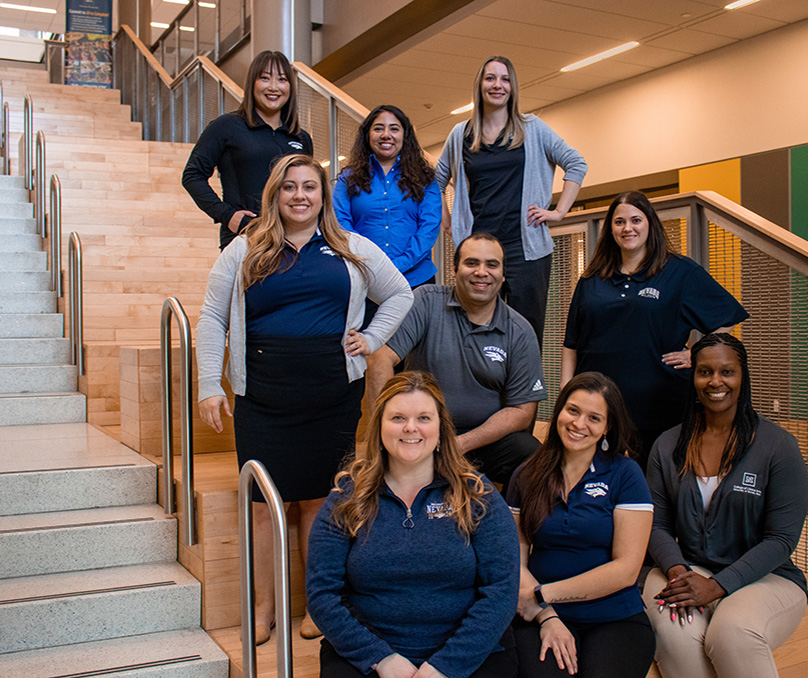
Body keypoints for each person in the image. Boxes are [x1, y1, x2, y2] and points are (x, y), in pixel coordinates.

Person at [195, 154, 413, 644]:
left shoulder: (351, 248)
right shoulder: (244, 248)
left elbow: (401, 294)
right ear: (275, 194)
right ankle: (263, 607)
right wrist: (210, 383)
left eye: (309, 187)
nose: (299, 195)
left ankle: (318, 605)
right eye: (289, 187)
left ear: (322, 196)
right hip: (263, 395)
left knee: (319, 500)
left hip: (331, 393)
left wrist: (372, 338)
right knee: (259, 503)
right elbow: (212, 316)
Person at [306, 371, 519, 678]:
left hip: (471, 653)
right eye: (397, 418)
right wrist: (380, 658)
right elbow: (322, 593)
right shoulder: (346, 498)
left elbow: (502, 590)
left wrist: (445, 666)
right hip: (370, 654)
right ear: (379, 426)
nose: (410, 428)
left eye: (423, 417)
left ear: (440, 427)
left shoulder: (477, 494)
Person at [642, 333, 808, 678]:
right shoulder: (667, 445)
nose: (715, 382)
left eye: (727, 372)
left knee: (731, 634)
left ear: (742, 376)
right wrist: (677, 571)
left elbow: (781, 540)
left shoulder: (778, 447)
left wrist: (717, 587)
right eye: (704, 372)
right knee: (674, 633)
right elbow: (656, 524)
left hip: (766, 578)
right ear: (693, 377)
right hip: (688, 569)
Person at [562, 191, 749, 466]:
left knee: (654, 487)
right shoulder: (591, 278)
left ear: (650, 223)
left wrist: (696, 354)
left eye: (636, 220)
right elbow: (572, 343)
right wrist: (566, 393)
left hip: (658, 406)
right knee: (595, 480)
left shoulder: (679, 271)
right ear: (610, 229)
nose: (628, 228)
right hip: (597, 406)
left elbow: (726, 320)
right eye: (619, 222)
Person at [367, 232, 546, 490]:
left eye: (491, 265)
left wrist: (458, 445)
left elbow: (521, 412)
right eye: (471, 263)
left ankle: (508, 523)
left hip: (480, 442)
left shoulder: (519, 330)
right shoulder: (426, 301)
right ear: (454, 269)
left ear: (503, 274)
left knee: (529, 452)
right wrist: (384, 432)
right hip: (420, 434)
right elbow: (380, 357)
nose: (481, 272)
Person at [508, 372, 656, 678]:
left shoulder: (625, 474)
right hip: (540, 616)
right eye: (573, 410)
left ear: (607, 427)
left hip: (615, 617)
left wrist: (542, 594)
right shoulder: (526, 474)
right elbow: (514, 558)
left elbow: (627, 568)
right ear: (559, 410)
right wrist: (544, 613)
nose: (578, 424)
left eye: (594, 418)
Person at [436, 56, 587, 343]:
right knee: (475, 329)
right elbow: (436, 179)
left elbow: (576, 163)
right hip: (478, 247)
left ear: (513, 87)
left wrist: (560, 212)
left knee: (525, 334)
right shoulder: (461, 134)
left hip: (525, 249)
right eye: (490, 78)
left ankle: (523, 389)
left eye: (505, 79)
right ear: (480, 85)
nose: (498, 85)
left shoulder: (532, 128)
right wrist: (447, 218)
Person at [182, 50, 314, 250]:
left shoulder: (300, 137)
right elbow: (192, 176)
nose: (273, 87)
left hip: (293, 240)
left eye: (282, 79)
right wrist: (228, 216)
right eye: (265, 78)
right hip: (245, 238)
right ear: (252, 83)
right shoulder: (226, 126)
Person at [333, 104, 441, 290]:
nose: (386, 135)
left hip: (416, 280)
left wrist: (398, 265)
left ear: (404, 136)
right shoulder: (348, 179)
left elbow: (429, 227)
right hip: (365, 279)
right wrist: (369, 263)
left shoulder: (425, 178)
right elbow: (341, 224)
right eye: (378, 128)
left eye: (394, 129)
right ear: (367, 135)